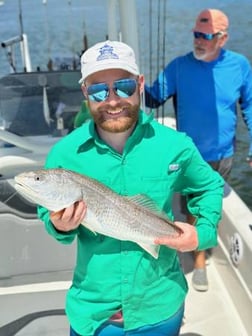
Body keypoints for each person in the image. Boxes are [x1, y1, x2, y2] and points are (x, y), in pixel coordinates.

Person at [37, 40, 224, 336]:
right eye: (99, 90)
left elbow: (210, 185)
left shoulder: (175, 145)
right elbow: (49, 217)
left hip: (160, 307)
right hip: (94, 314)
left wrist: (200, 233)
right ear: (85, 93)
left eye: (123, 87)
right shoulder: (63, 156)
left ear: (139, 83)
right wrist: (59, 226)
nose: (112, 101)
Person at [145, 8, 252, 292]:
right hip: (190, 158)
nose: (199, 40)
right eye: (196, 34)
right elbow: (153, 99)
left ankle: (201, 244)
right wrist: (132, 83)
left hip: (224, 155)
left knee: (211, 204)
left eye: (206, 36)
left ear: (223, 38)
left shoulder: (240, 66)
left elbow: (250, 107)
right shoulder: (179, 67)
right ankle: (201, 260)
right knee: (193, 207)